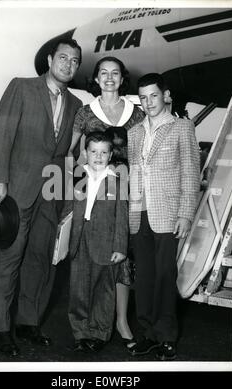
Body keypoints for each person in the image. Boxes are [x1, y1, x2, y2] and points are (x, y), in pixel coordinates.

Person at [0, 38, 82, 356]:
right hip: (17, 189)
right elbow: (2, 133)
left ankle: (28, 323)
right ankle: (0, 328)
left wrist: (68, 196)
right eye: (64, 58)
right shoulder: (21, 87)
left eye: (75, 61)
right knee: (10, 259)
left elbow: (69, 154)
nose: (68, 64)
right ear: (51, 59)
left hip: (52, 193)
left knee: (42, 261)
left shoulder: (76, 105)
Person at [67, 56, 144, 349]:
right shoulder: (86, 113)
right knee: (92, 263)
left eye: (115, 73)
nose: (109, 78)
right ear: (96, 78)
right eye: (103, 73)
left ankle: (120, 321)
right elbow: (72, 151)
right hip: (95, 192)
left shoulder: (136, 114)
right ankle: (91, 326)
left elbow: (143, 151)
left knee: (123, 255)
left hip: (129, 192)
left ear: (122, 78)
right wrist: (76, 182)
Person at [127, 73, 200, 360]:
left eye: (153, 95)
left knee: (165, 276)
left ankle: (166, 336)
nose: (148, 102)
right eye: (143, 97)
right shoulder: (134, 132)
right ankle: (147, 333)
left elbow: (191, 174)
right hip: (139, 213)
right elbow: (133, 174)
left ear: (166, 95)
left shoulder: (182, 128)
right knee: (143, 277)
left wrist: (185, 213)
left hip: (168, 214)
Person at [62, 131, 128, 352]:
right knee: (78, 289)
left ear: (110, 155)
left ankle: (99, 333)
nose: (98, 157)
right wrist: (60, 238)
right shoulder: (78, 176)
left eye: (103, 152)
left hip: (106, 242)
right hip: (79, 239)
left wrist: (120, 246)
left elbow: (122, 216)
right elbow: (68, 209)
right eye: (93, 152)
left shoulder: (118, 181)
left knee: (104, 290)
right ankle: (80, 332)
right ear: (85, 153)